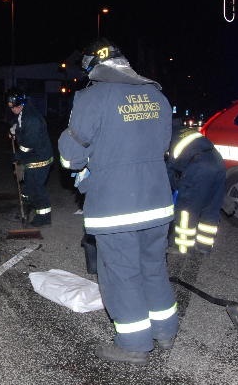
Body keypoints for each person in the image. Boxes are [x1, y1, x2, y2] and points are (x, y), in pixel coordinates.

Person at [58, 38, 177, 365]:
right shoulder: (157, 95)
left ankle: (134, 343)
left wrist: (68, 142)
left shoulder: (93, 98)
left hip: (116, 207)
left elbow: (71, 157)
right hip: (157, 201)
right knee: (153, 267)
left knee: (121, 273)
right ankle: (165, 330)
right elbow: (161, 145)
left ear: (95, 65)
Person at [166, 118, 226, 256]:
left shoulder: (168, 138)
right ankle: (204, 246)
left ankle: (183, 247)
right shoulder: (186, 131)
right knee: (211, 207)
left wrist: (179, 188)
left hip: (199, 166)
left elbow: (169, 170)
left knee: (186, 208)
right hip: (218, 162)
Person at [7, 88, 54, 227]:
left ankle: (44, 217)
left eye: (15, 106)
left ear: (21, 103)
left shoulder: (32, 119)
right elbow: (18, 121)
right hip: (31, 157)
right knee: (27, 188)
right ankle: (26, 210)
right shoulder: (23, 112)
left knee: (36, 189)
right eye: (11, 107)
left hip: (39, 159)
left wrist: (18, 156)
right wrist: (14, 128)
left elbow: (28, 145)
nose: (13, 110)